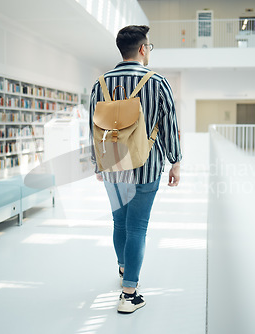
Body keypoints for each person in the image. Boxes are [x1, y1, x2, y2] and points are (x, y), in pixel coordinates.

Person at [89, 25, 182, 314]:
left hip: (113, 166)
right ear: (143, 49)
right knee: (137, 227)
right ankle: (129, 294)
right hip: (147, 166)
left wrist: (97, 162)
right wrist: (175, 161)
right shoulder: (157, 82)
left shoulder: (100, 83)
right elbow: (169, 127)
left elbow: (91, 127)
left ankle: (123, 268)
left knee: (120, 223)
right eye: (149, 47)